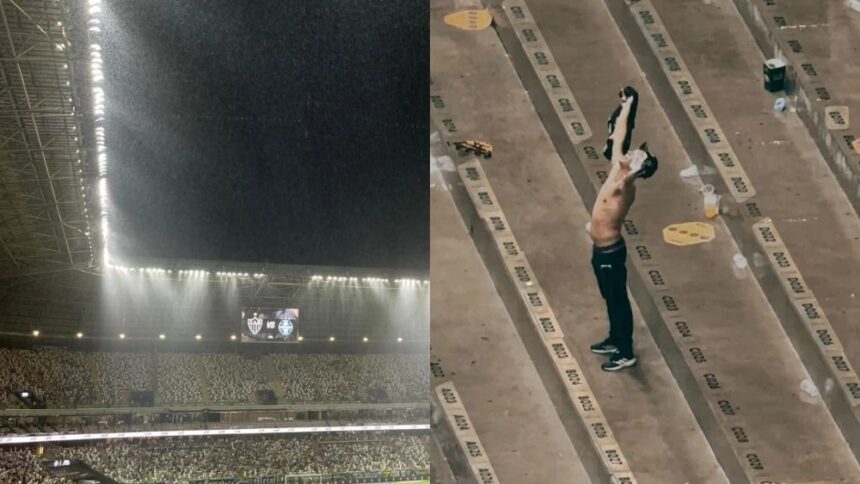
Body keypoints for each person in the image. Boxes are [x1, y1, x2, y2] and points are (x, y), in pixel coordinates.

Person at [588, 86, 658, 372]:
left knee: (617, 300)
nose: (630, 152)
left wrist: (640, 168)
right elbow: (619, 132)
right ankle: (615, 339)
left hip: (610, 253)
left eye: (635, 155)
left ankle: (625, 349)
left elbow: (631, 176)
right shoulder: (619, 165)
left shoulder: (625, 187)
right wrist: (628, 104)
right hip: (599, 249)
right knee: (609, 297)